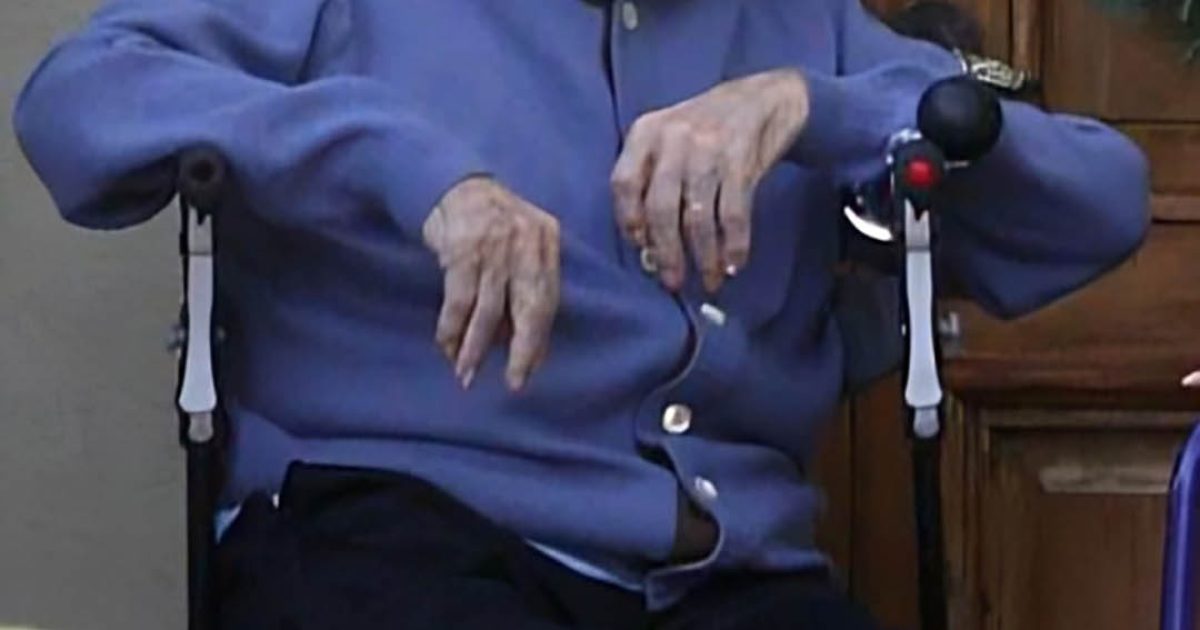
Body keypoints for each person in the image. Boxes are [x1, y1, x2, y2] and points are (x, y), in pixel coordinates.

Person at [12, 0, 1150, 628]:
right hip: (400, 539)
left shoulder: (797, 22)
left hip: (729, 580)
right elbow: (80, 98)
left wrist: (815, 108)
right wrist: (406, 166)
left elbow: (1100, 204)